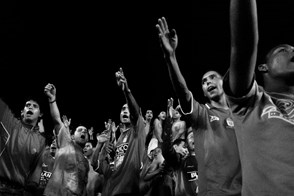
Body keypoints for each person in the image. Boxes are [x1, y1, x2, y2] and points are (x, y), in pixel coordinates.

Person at [156, 17, 242, 195]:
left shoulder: (241, 114)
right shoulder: (202, 114)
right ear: (202, 91)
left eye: (212, 78)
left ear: (223, 82)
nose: (208, 82)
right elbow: (183, 92)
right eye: (204, 81)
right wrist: (170, 57)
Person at [224, 0, 294, 195]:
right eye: (284, 50)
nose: (293, 51)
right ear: (263, 67)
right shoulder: (251, 102)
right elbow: (243, 44)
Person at [92, 67, 146, 196]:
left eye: (128, 109)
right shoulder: (121, 137)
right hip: (113, 189)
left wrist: (126, 91)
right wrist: (103, 146)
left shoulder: (137, 129)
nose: (125, 111)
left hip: (129, 189)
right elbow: (95, 165)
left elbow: (135, 112)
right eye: (122, 109)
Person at [43, 83, 90, 196]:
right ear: (72, 136)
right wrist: (52, 100)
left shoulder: (86, 163)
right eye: (80, 130)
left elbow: (83, 187)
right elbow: (57, 120)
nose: (83, 131)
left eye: (85, 131)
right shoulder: (66, 143)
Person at [0, 89, 47, 195]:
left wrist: (31, 187)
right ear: (22, 112)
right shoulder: (9, 122)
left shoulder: (41, 140)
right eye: (27, 105)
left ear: (40, 114)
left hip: (20, 191)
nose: (30, 107)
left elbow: (37, 168)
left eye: (35, 106)